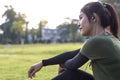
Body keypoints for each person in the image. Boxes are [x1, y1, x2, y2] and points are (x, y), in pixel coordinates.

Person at [28, 1, 120, 80]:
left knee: (70, 73)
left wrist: (62, 64)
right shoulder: (108, 38)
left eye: (81, 18)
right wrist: (43, 63)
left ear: (93, 18)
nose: (78, 24)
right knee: (72, 73)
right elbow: (73, 54)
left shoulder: (96, 42)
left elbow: (72, 64)